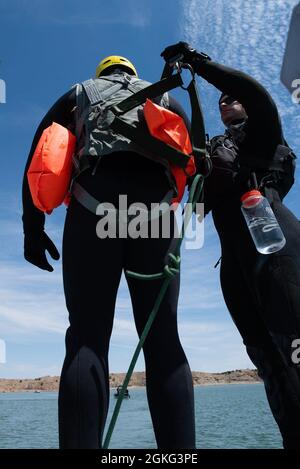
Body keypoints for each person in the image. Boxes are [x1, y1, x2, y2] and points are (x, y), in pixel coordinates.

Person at [22, 55, 196, 449]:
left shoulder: (78, 92)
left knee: (87, 337)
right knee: (163, 340)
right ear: (133, 74)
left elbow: (39, 154)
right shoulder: (166, 99)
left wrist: (32, 230)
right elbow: (196, 160)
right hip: (156, 214)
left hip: (92, 204)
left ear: (103, 74)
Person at [161, 42, 300, 449]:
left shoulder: (261, 136)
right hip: (235, 271)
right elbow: (194, 200)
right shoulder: (215, 153)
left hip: (279, 253)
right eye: (222, 99)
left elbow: (256, 95)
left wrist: (198, 63)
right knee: (272, 372)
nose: (226, 100)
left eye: (230, 97)